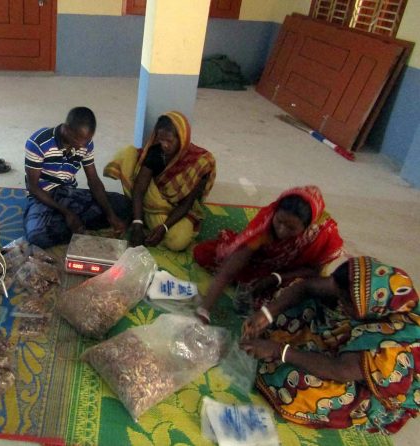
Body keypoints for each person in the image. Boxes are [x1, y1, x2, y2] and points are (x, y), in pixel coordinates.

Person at [240, 256, 420, 434]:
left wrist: (278, 350)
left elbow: (340, 370)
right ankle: (287, 350)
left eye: (346, 301)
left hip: (359, 380)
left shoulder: (389, 346)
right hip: (341, 340)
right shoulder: (361, 289)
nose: (341, 301)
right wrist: (267, 314)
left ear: (375, 310)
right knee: (293, 306)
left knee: (300, 388)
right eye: (340, 294)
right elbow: (305, 287)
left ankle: (284, 358)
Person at [192, 185, 344, 322]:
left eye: (291, 228)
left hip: (295, 272)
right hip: (264, 262)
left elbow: (315, 270)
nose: (282, 230)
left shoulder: (322, 234)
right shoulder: (264, 224)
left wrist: (276, 278)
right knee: (205, 254)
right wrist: (204, 309)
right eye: (279, 221)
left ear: (307, 227)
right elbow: (230, 268)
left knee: (291, 303)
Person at [104, 111, 216, 251]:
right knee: (128, 154)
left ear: (182, 138)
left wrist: (164, 227)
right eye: (160, 140)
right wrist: (137, 223)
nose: (164, 145)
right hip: (154, 204)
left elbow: (185, 205)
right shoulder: (156, 153)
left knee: (177, 242)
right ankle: (141, 217)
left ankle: (147, 218)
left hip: (179, 210)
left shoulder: (199, 163)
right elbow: (139, 190)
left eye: (169, 141)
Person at [23, 106, 132, 248]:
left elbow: (93, 180)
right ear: (66, 129)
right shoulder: (38, 143)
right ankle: (70, 221)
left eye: (86, 140)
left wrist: (110, 214)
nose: (81, 145)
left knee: (123, 205)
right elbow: (33, 187)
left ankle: (68, 223)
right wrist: (67, 213)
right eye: (77, 140)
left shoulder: (85, 144)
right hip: (42, 196)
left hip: (68, 193)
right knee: (37, 236)